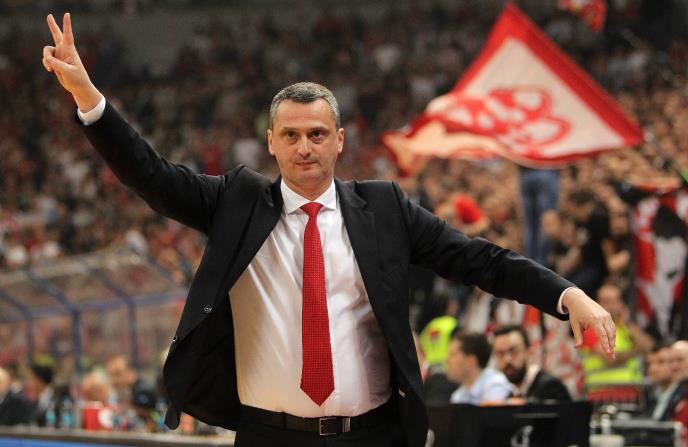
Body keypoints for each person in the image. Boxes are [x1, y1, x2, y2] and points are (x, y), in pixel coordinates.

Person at [42, 12, 616, 447]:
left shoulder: (384, 208)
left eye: (317, 134)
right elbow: (152, 176)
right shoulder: (238, 203)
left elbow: (479, 259)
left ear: (339, 140)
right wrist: (89, 100)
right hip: (267, 434)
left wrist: (566, 295)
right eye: (290, 135)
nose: (304, 147)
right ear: (271, 142)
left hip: (370, 433)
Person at [581, 284, 654, 388]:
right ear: (596, 304)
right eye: (606, 302)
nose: (612, 306)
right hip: (603, 391)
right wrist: (637, 350)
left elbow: (649, 347)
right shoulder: (591, 329)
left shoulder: (626, 326)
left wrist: (628, 323)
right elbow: (611, 359)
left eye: (616, 301)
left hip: (631, 389)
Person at [492, 324, 571, 402]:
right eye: (500, 353)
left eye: (513, 351)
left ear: (529, 352)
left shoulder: (551, 388)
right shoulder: (510, 395)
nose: (507, 359)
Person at [446, 332, 511, 404]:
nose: (446, 360)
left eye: (452, 354)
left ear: (471, 361)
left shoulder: (495, 385)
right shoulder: (458, 396)